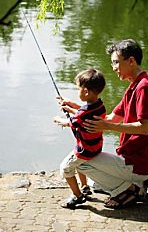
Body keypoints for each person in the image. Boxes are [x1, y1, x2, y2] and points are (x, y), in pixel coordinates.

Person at [60, 39, 148, 209]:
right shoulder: (133, 86)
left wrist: (108, 127)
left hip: (137, 162)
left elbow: (145, 128)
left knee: (81, 162)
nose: (113, 67)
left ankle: (130, 191)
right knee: (95, 185)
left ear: (131, 61)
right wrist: (77, 108)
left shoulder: (144, 88)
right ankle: (143, 183)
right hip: (131, 158)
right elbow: (110, 118)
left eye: (116, 62)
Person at [54, 68, 106, 209]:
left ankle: (77, 196)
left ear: (86, 92)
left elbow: (71, 122)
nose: (78, 92)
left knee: (65, 168)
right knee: (78, 165)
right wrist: (70, 105)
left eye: (79, 89)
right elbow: (82, 112)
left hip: (85, 150)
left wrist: (58, 119)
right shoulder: (100, 106)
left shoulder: (83, 113)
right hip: (96, 146)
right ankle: (84, 186)